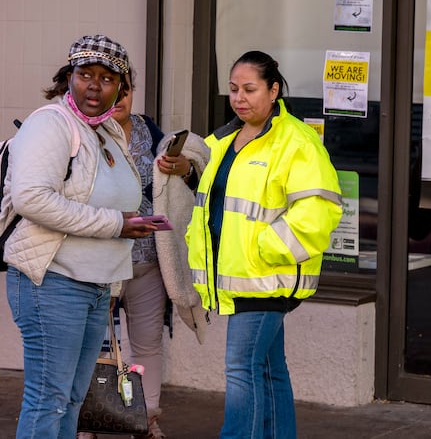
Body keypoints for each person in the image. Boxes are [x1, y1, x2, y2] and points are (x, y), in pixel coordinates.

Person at [4, 34, 157, 438]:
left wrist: (134, 221)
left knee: (73, 398)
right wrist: (116, 224)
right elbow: (31, 198)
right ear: (67, 77)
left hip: (95, 285)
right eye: (85, 74)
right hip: (52, 281)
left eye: (107, 79)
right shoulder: (51, 124)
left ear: (122, 89)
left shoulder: (107, 131)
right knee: (49, 397)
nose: (94, 85)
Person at [185, 51, 343, 439]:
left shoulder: (297, 141)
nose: (239, 98)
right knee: (270, 370)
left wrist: (266, 249)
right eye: (234, 89)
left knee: (241, 369)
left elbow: (319, 211)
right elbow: (207, 192)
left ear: (274, 91)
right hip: (236, 277)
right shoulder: (223, 139)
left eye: (250, 89)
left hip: (264, 278)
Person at [76, 68, 209, 439]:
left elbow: (186, 180)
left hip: (148, 262)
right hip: (99, 263)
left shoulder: (153, 135)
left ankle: (146, 419)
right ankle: (87, 421)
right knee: (93, 345)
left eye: (125, 90)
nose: (118, 98)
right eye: (111, 89)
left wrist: (183, 169)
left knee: (147, 344)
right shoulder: (82, 135)